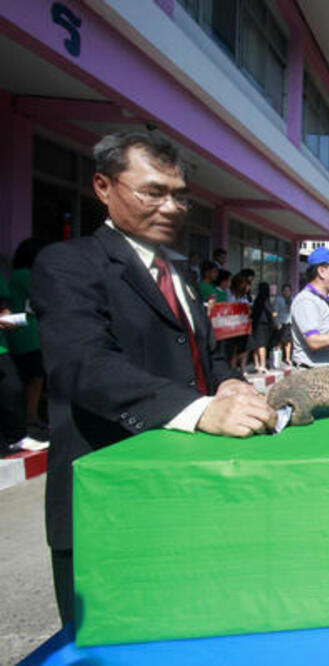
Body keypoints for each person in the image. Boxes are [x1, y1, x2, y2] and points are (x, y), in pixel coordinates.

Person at [31, 131, 276, 625]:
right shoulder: (69, 264)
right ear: (103, 186)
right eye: (152, 192)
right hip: (109, 506)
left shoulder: (179, 278)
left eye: (179, 195)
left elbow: (208, 359)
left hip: (183, 499)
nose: (171, 207)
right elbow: (84, 367)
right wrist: (203, 409)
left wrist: (228, 383)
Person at [8, 237, 49, 439]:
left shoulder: (17, 275)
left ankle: (30, 416)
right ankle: (31, 417)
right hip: (27, 332)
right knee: (34, 378)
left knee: (31, 378)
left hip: (21, 332)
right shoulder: (26, 275)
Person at [248, 282, 274, 373]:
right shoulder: (265, 300)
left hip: (255, 323)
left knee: (256, 345)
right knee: (262, 345)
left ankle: (256, 364)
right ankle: (263, 365)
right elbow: (271, 313)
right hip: (263, 325)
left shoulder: (257, 299)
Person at [272, 283, 294, 366]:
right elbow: (275, 312)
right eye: (285, 291)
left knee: (288, 341)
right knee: (279, 341)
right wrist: (275, 322)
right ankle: (278, 358)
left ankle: (287, 358)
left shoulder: (292, 299)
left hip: (289, 323)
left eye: (288, 291)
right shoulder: (279, 300)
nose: (286, 292)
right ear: (282, 291)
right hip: (280, 323)